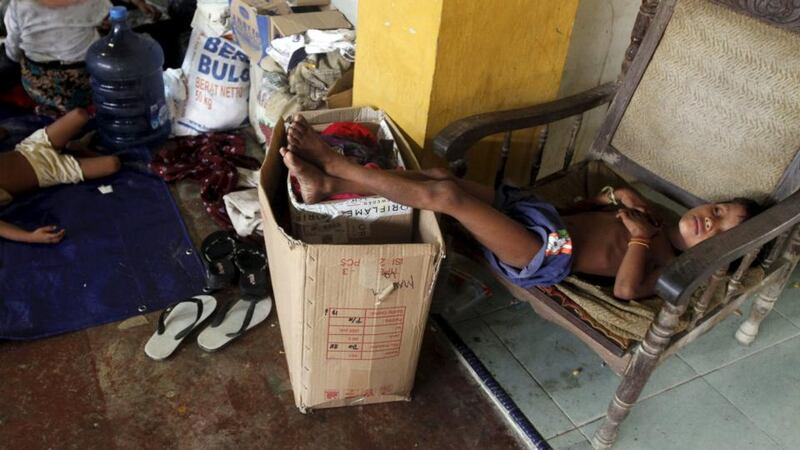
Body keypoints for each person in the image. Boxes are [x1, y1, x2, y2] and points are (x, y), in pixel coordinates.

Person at [279, 115, 758, 301]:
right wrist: (620, 199)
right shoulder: (657, 215)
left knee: (446, 198)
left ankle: (334, 166)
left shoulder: (668, 264)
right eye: (716, 209)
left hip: (542, 251)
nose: (708, 220)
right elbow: (596, 206)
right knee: (444, 178)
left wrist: (638, 239)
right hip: (543, 216)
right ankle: (326, 185)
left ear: (719, 252)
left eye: (718, 230)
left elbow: (629, 290)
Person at [3, 0, 160, 114]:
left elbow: (13, 50)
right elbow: (113, 18)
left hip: (39, 87)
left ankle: (53, 109)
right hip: (84, 84)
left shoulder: (18, 5)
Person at [0, 108, 121, 244]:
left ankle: (74, 148)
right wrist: (30, 236)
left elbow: (3, 133)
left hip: (32, 147)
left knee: (79, 115)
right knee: (113, 164)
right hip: (49, 170)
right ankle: (78, 150)